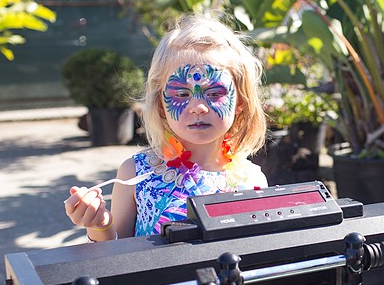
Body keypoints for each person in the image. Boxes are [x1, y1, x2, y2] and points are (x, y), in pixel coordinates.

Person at [64, 13, 268, 242]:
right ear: (160, 104)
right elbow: (114, 254)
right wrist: (99, 224)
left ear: (240, 101)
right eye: (181, 94)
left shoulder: (252, 180)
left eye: (214, 93)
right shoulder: (136, 173)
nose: (198, 107)